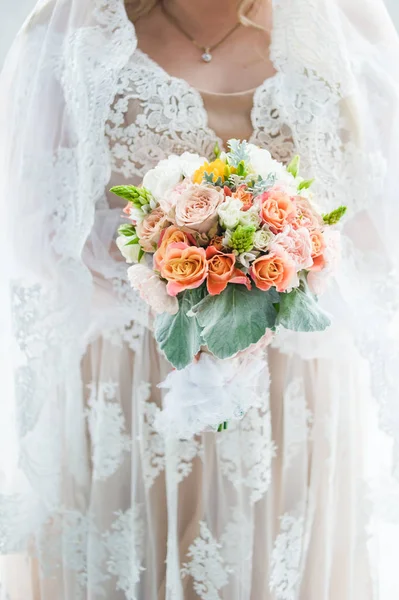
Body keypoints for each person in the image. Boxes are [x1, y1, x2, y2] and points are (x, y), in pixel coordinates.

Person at [0, 0, 398, 598]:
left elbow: (377, 218)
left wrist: (289, 254)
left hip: (289, 383)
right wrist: (165, 257)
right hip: (133, 377)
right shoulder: (74, 28)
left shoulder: (346, 19)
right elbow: (35, 231)